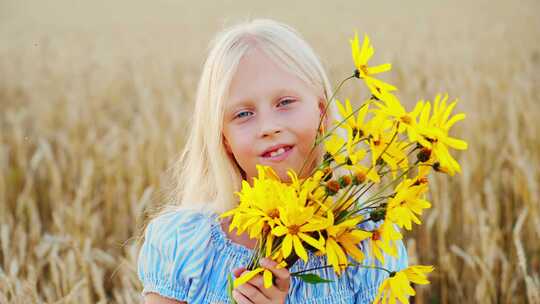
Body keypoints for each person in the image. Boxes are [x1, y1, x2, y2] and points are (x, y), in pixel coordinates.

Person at [137, 18, 408, 304]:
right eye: (243, 114)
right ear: (223, 139)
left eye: (285, 102)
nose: (268, 126)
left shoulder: (368, 244)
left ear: (322, 111)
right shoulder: (182, 245)